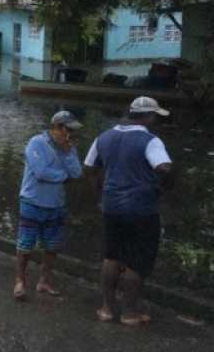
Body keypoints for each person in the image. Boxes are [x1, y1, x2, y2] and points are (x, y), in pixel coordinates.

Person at [84, 97, 173, 326]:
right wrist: (160, 187)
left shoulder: (103, 137)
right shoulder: (150, 140)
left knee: (111, 256)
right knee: (136, 262)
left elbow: (89, 167)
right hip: (141, 210)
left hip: (111, 207)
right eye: (155, 116)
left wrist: (99, 196)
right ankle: (129, 313)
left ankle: (106, 308)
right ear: (148, 116)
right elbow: (163, 167)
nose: (156, 120)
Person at [13, 110, 83, 300]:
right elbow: (41, 172)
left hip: (56, 204)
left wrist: (68, 154)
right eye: (69, 130)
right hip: (32, 201)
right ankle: (20, 281)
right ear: (58, 127)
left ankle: (44, 280)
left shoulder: (69, 148)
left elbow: (77, 173)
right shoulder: (37, 142)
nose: (71, 134)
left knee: (53, 246)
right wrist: (63, 176)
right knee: (25, 244)